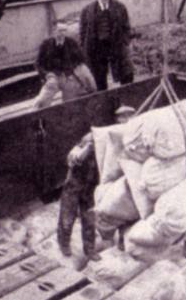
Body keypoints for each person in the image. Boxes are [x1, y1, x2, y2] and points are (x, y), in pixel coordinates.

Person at [57, 105, 136, 261]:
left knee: (89, 220)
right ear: (118, 119)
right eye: (123, 118)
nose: (126, 121)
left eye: (129, 117)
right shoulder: (96, 137)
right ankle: (64, 244)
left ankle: (90, 250)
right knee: (68, 216)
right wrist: (87, 148)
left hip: (92, 186)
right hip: (76, 182)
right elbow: (73, 158)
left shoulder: (126, 139)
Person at [79, 0, 134, 91]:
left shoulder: (120, 7)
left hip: (116, 45)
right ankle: (102, 97)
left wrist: (125, 41)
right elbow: (83, 32)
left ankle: (127, 94)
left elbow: (126, 26)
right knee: (98, 77)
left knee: (126, 72)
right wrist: (84, 47)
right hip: (96, 48)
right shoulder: (87, 10)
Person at [33, 22, 97, 109]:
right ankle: (38, 116)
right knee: (42, 100)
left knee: (70, 104)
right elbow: (38, 64)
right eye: (60, 30)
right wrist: (46, 74)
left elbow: (81, 59)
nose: (62, 33)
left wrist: (74, 71)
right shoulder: (46, 45)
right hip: (53, 77)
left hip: (68, 76)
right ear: (54, 31)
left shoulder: (71, 43)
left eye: (65, 30)